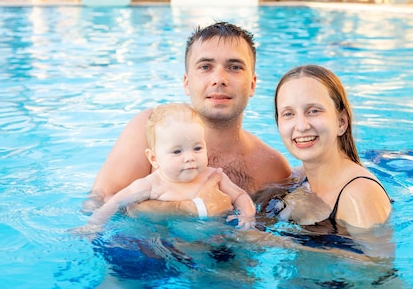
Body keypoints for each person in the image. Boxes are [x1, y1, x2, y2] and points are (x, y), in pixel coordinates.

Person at [89, 21, 291, 216]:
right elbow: (99, 203)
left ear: (253, 84)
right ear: (186, 82)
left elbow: (263, 234)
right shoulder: (150, 127)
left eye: (235, 67)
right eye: (205, 67)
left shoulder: (272, 167)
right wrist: (190, 209)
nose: (219, 79)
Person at [261, 64, 392, 237]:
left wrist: (268, 241)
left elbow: (375, 264)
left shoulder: (359, 194)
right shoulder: (298, 179)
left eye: (314, 111)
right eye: (288, 114)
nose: (301, 126)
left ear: (341, 122)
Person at [81, 103, 256, 232]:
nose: (189, 157)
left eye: (197, 148)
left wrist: (247, 215)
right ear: (154, 158)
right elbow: (116, 202)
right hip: (167, 246)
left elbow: (240, 195)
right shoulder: (151, 184)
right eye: (177, 151)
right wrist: (94, 225)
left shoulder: (213, 177)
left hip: (211, 245)